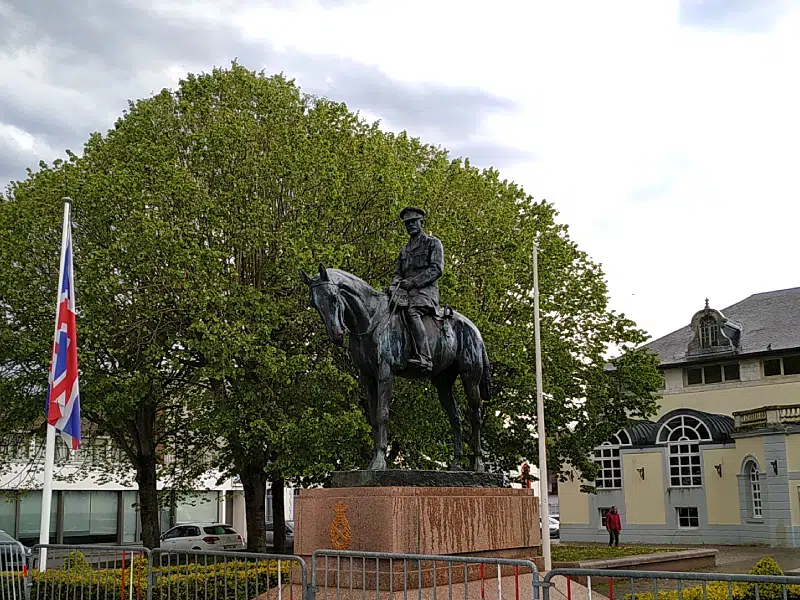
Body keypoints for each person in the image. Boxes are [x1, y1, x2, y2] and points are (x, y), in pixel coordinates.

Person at [388, 207, 444, 372]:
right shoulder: (404, 250)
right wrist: (396, 283)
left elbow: (436, 269)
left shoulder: (432, 243)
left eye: (413, 222)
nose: (410, 225)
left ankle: (425, 357)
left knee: (412, 311)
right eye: (407, 223)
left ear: (421, 222)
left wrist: (413, 282)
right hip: (405, 291)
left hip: (425, 292)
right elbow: (396, 273)